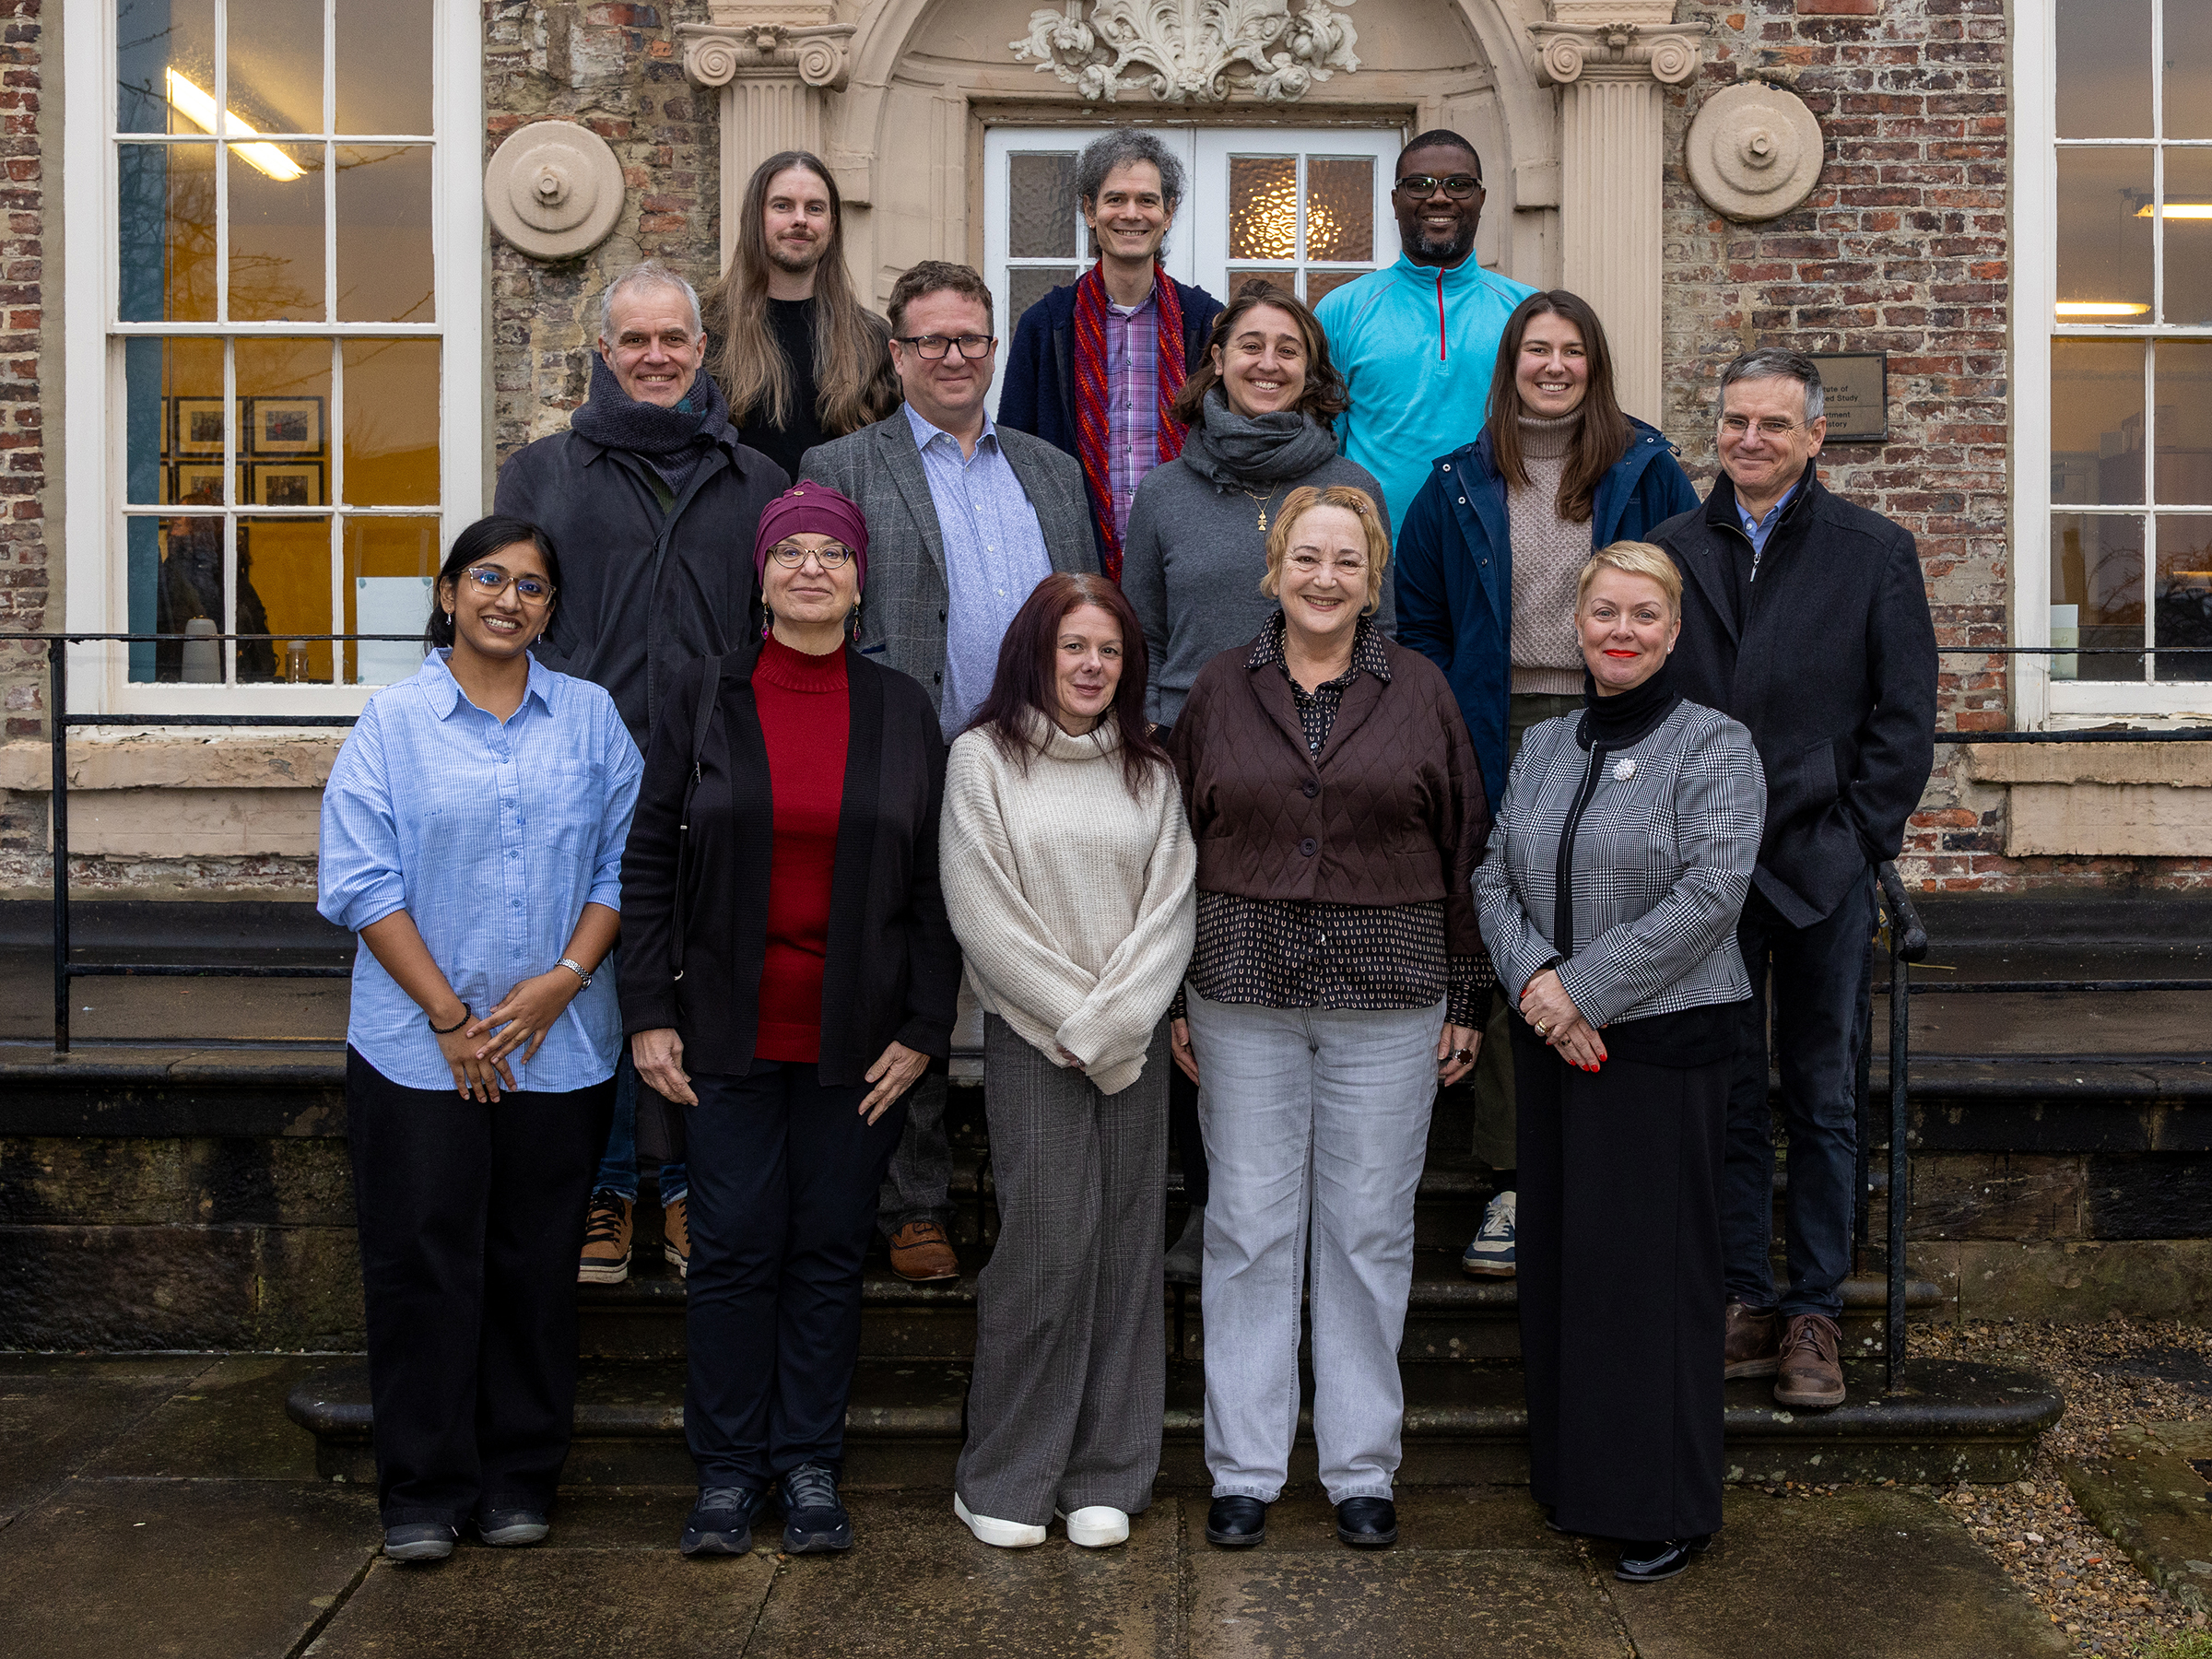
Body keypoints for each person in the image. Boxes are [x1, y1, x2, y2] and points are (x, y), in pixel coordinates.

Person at [618, 481, 959, 1559]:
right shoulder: (702, 694)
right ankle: (725, 1472)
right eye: (790, 551)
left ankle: (808, 1463)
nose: (811, 566)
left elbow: (932, 883)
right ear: (760, 577)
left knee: (823, 1253)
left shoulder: (901, 707)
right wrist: (645, 1011)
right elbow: (651, 860)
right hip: (720, 1031)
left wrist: (923, 1027)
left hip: (853, 1044)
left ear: (861, 580)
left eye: (833, 552)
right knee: (729, 1252)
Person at [1167, 484, 1488, 1555]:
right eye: (1307, 557)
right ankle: (1247, 1469)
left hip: (1390, 994)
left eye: (1347, 561)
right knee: (1250, 1229)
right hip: (1242, 990)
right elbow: (1174, 847)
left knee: (1365, 1232)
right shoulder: (1219, 688)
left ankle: (1360, 1467)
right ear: (1275, 569)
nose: (1324, 577)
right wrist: (1174, 992)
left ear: (1373, 576)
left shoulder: (1421, 691)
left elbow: (1464, 845)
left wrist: (1469, 992)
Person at [317, 515, 643, 1563]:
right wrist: (452, 1021)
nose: (510, 599)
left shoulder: (591, 720)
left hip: (562, 1047)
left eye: (534, 587)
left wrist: (561, 984)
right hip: (419, 1055)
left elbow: (620, 871)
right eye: (489, 579)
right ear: (450, 593)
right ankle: (422, 1491)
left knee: (534, 1267)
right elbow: (363, 881)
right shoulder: (393, 722)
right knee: (423, 1266)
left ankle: (517, 1479)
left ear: (554, 609)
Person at [1651, 347, 1937, 1411]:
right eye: (1735, 422)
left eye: (1774, 424)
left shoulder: (1875, 552)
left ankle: (1816, 1307)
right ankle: (1742, 1294)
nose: (1751, 441)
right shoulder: (1674, 550)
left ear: (1816, 435)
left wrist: (1858, 841)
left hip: (1821, 869)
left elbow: (1904, 724)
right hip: (1707, 877)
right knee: (1724, 1095)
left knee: (1821, 1096)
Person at [1394, 289, 1700, 1283]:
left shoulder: (1646, 469)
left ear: (1594, 363)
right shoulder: (1457, 482)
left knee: (1625, 929)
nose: (1555, 366)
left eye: (1572, 350)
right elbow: (1423, 622)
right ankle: (1517, 1176)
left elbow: (1678, 602)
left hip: (1622, 721)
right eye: (1538, 350)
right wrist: (1449, 721)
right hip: (1505, 727)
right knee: (1514, 935)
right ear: (1511, 363)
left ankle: (1619, 1160)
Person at [800, 260, 1096, 1283]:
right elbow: (814, 619)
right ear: (897, 354)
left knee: (1039, 976)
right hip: (907, 760)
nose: (955, 356)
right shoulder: (841, 469)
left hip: (1040, 766)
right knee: (908, 977)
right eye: (932, 340)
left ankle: (1042, 1198)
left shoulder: (1053, 472)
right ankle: (913, 1201)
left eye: (972, 338)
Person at [1476, 542, 1765, 1584]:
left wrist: (1580, 990)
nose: (1622, 631)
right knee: (1567, 1275)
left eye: (1644, 615)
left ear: (1674, 631)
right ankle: (1577, 1480)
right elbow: (1493, 877)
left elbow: (1711, 894)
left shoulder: (1715, 746)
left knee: (1653, 1284)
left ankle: (1663, 1505)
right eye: (1604, 612)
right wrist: (1537, 988)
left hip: (1661, 1048)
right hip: (1558, 1044)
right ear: (1577, 623)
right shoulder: (1546, 746)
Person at [497, 259, 784, 1288]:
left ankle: (689, 1192)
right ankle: (610, 1187)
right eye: (636, 341)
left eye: (675, 340)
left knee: (703, 981)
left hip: (716, 768)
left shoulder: (758, 482)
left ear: (703, 352)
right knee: (603, 980)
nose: (656, 357)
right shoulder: (542, 475)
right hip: (583, 767)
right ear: (605, 354)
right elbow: (511, 614)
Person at [1120, 276, 1388, 1278]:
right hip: (1196, 764)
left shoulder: (1350, 490)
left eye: (1288, 350)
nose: (1267, 363)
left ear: (1312, 375)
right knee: (1200, 980)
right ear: (1217, 365)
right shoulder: (1164, 494)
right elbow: (1142, 633)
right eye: (1250, 347)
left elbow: (1382, 632)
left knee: (1300, 979)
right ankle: (1205, 1196)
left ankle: (1314, 1201)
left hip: (1322, 764)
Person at [942, 572, 1195, 1552]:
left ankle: (1104, 1471)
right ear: (1035, 654)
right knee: (1047, 1247)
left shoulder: (1151, 770)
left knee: (1127, 1251)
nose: (1092, 667)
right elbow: (984, 914)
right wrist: (1084, 1025)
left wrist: (1119, 1023)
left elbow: (1172, 907)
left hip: (1131, 1048)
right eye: (1074, 648)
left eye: (1111, 652)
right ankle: (1004, 1473)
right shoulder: (982, 761)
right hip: (1039, 1041)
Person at [997, 130, 1225, 576]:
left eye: (1147, 200)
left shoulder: (1206, 323)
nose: (1131, 214)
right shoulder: (1046, 325)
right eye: (1115, 199)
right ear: (1089, 210)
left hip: (1186, 557)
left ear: (1169, 212)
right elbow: (1014, 454)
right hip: (1072, 560)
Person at [1312, 129, 1538, 538]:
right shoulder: (1341, 309)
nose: (1439, 197)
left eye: (1459, 185)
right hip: (1375, 554)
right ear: (1395, 200)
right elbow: (1323, 443)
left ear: (1481, 200)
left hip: (1498, 546)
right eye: (1419, 185)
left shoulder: (1526, 311)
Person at [702, 149, 899, 483]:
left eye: (815, 208)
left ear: (832, 224)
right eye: (782, 206)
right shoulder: (706, 331)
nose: (800, 219)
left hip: (840, 530)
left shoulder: (871, 339)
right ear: (755, 217)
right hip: (737, 530)